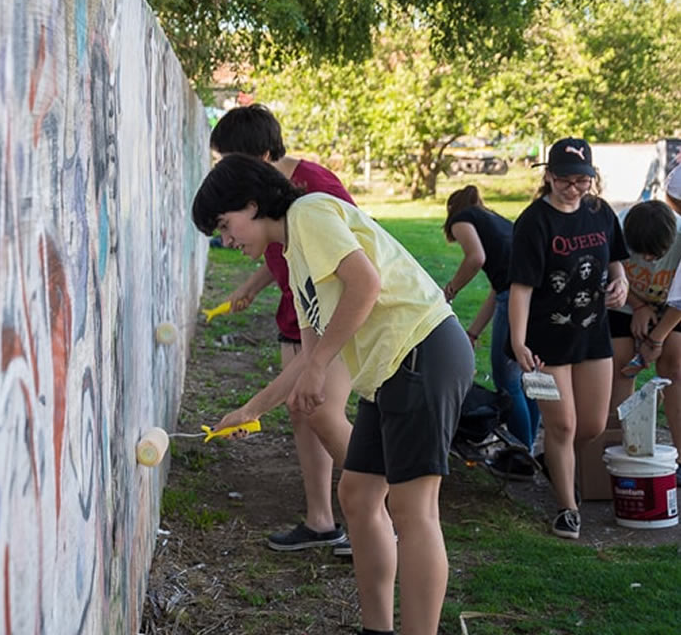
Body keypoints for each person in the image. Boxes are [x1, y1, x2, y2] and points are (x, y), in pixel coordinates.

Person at [193, 154, 473, 635]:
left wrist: (320, 366)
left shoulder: (310, 213)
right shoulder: (292, 253)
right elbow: (308, 353)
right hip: (390, 370)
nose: (226, 239)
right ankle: (376, 628)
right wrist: (249, 410)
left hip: (422, 351)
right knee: (359, 495)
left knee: (413, 509)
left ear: (253, 204)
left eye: (225, 224)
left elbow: (366, 285)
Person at [209, 104, 355, 553]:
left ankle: (377, 514)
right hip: (299, 317)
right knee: (300, 410)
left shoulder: (315, 189)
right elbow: (281, 253)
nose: (227, 174)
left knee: (326, 413)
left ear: (266, 154)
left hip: (332, 320)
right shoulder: (260, 197)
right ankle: (321, 521)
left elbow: (349, 258)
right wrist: (252, 286)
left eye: (233, 161)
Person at [508, 138, 629, 540]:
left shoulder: (600, 212)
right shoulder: (534, 222)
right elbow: (521, 288)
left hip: (593, 332)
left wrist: (621, 282)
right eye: (564, 179)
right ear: (548, 176)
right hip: (547, 338)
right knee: (562, 426)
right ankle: (567, 507)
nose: (574, 188)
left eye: (582, 180)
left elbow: (616, 261)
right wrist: (519, 342)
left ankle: (553, 460)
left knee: (590, 425)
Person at [441, 185, 540, 478]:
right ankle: (528, 448)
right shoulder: (495, 221)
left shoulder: (463, 219)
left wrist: (450, 290)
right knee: (526, 378)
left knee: (506, 378)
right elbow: (496, 290)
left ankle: (521, 454)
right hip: (533, 296)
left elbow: (476, 258)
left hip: (515, 298)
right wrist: (471, 334)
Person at [624, 167, 681, 484]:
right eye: (639, 254)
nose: (646, 259)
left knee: (674, 368)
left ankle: (680, 456)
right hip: (627, 302)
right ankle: (622, 446)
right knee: (622, 365)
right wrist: (638, 306)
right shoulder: (618, 228)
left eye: (654, 254)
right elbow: (610, 274)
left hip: (674, 307)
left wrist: (657, 338)